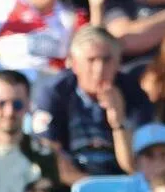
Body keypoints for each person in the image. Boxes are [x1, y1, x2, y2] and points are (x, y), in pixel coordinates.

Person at [33, 24, 148, 181]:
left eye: (106, 60)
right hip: (70, 184)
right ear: (74, 63)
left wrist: (118, 122)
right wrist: (90, 188)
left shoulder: (133, 91)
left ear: (118, 61)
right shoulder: (54, 92)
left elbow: (135, 166)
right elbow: (49, 154)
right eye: (91, 60)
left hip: (123, 182)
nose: (99, 69)